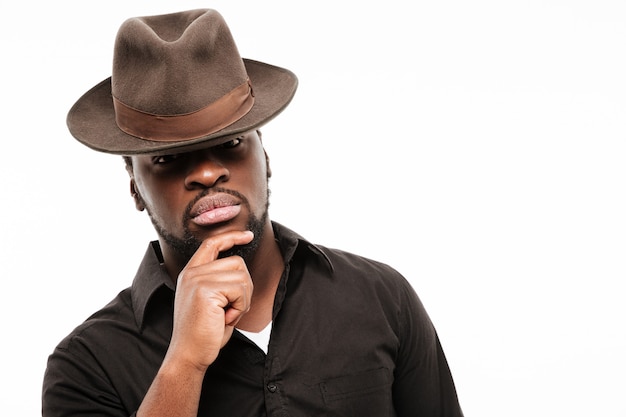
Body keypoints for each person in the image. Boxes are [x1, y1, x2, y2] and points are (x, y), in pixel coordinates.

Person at [42, 8, 464, 417]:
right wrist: (184, 363)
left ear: (265, 155)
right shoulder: (85, 366)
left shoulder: (382, 298)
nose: (207, 173)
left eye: (231, 145)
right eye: (169, 158)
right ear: (135, 187)